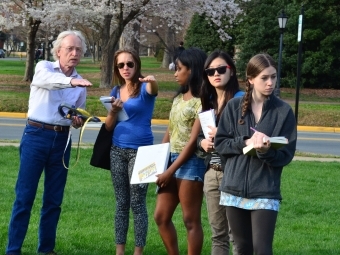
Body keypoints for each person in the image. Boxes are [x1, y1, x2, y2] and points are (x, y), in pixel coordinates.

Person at [6, 30, 92, 255]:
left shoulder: (80, 83)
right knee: (24, 197)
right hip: (36, 136)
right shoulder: (44, 67)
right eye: (70, 49)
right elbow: (48, 82)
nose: (74, 53)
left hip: (62, 140)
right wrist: (72, 81)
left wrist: (77, 120)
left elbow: (76, 114)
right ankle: (13, 250)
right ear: (58, 52)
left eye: (78, 50)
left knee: (53, 200)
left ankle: (46, 249)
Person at [214, 53, 297, 255]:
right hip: (233, 189)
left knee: (262, 250)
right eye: (264, 78)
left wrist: (266, 152)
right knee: (242, 248)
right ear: (250, 79)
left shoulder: (283, 111)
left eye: (274, 77)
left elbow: (286, 155)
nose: (271, 83)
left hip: (265, 190)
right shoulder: (234, 107)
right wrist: (245, 142)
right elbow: (221, 143)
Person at [104, 47, 158, 255]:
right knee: (121, 202)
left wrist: (152, 80)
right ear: (117, 69)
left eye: (129, 64)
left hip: (142, 153)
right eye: (121, 65)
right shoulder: (115, 92)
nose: (125, 68)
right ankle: (120, 250)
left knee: (137, 202)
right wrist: (114, 111)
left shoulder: (145, 88)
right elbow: (109, 126)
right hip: (117, 150)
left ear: (137, 65)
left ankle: (138, 251)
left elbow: (154, 88)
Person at [154, 47, 207, 255]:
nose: (175, 74)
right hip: (171, 160)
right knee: (161, 216)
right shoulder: (178, 98)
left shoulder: (202, 101)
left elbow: (193, 141)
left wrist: (170, 170)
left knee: (190, 219)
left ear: (192, 70)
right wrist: (159, 160)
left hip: (191, 162)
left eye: (179, 69)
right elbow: (170, 129)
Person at [197, 50, 244, 255]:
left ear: (231, 71)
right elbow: (200, 135)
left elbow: (247, 139)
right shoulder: (208, 101)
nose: (216, 74)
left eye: (221, 69)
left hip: (233, 173)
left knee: (237, 236)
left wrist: (223, 134)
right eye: (210, 71)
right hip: (212, 173)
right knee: (218, 235)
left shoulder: (242, 101)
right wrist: (202, 144)